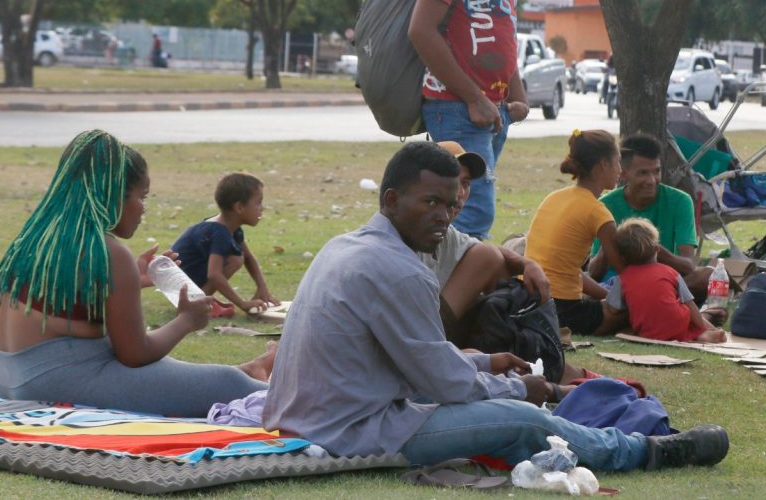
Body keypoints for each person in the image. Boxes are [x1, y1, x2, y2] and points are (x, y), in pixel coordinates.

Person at [262, 141, 729, 471]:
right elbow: (443, 382)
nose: (443, 216)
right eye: (430, 202)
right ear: (391, 200)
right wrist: (521, 390)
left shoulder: (345, 246)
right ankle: (642, 451)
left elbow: (408, 356)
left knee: (506, 393)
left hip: (313, 416)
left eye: (449, 204)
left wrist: (486, 361)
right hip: (350, 431)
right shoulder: (398, 269)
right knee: (522, 421)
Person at [0, 130, 273, 417]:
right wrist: (187, 320)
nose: (143, 208)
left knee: (200, 377)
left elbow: (60, 303)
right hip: (57, 384)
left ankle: (251, 370)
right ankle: (252, 378)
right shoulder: (109, 253)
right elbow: (135, 355)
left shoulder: (35, 238)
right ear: (112, 195)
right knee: (227, 383)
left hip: (8, 379)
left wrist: (133, 281)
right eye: (142, 196)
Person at [408, 0, 529, 240]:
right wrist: (475, 97)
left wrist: (516, 91)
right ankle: (439, 301)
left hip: (492, 110)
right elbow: (421, 30)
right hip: (456, 107)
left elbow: (503, 25)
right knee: (470, 218)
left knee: (463, 218)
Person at [419, 141, 550, 343]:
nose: (460, 193)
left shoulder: (447, 233)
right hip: (414, 339)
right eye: (453, 182)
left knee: (491, 258)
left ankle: (508, 345)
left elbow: (486, 252)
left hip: (432, 331)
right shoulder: (407, 233)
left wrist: (528, 265)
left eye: (465, 183)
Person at [589, 133, 713, 313]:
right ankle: (658, 308)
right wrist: (609, 244)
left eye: (656, 171)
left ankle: (638, 309)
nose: (652, 180)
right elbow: (594, 273)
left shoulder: (680, 201)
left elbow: (688, 265)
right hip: (619, 283)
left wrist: (653, 250)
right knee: (583, 284)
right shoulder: (606, 204)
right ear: (623, 174)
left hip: (662, 281)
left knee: (707, 275)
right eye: (643, 173)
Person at [524, 130, 627, 337]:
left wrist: (604, 296)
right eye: (617, 162)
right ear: (602, 166)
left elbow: (565, 268)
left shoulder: (553, 197)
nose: (621, 170)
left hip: (526, 298)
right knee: (630, 311)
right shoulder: (598, 212)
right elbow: (626, 272)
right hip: (563, 309)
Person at [170, 172, 278, 317]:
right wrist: (243, 304)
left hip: (184, 282)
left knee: (239, 256)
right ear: (239, 207)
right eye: (258, 203)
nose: (262, 208)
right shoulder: (219, 231)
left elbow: (249, 258)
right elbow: (214, 274)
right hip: (179, 286)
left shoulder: (230, 227)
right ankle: (197, 304)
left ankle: (199, 299)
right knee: (235, 259)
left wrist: (262, 288)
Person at [612, 219, 726, 344]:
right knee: (684, 313)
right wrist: (705, 327)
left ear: (622, 257)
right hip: (678, 326)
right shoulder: (670, 272)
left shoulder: (622, 278)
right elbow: (690, 305)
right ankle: (701, 335)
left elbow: (613, 309)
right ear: (657, 250)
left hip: (647, 332)